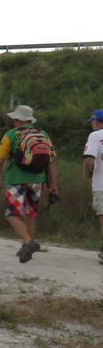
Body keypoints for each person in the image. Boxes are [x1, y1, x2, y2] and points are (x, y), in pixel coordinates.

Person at [0, 105, 59, 263]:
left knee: (12, 213)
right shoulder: (43, 134)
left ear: (16, 119)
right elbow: (51, 162)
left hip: (17, 179)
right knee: (30, 213)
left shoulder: (11, 134)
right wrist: (53, 185)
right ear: (30, 120)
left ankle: (28, 242)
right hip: (38, 179)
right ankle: (26, 247)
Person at [82, 109, 103, 264]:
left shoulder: (95, 136)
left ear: (95, 121)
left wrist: (88, 172)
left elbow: (89, 160)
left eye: (91, 123)